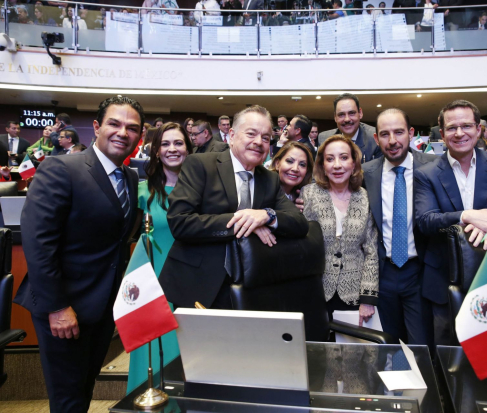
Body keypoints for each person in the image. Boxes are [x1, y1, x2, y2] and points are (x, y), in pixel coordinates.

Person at [14, 96, 144, 413]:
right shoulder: (61, 169)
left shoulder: (128, 177)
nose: (122, 133)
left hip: (100, 308)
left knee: (83, 389)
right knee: (68, 399)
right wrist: (57, 306)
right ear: (97, 127)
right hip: (64, 308)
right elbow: (38, 243)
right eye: (114, 123)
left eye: (132, 128)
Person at [159, 105, 308, 309]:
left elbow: (299, 223)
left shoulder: (270, 179)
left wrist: (266, 215)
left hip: (251, 288)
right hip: (199, 285)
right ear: (231, 135)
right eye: (251, 134)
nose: (258, 142)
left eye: (265, 138)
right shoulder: (200, 165)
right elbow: (181, 222)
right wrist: (246, 220)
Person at [414, 99, 487, 346]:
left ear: (479, 130)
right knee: (446, 354)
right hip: (442, 279)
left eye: (466, 126)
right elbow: (425, 221)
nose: (459, 133)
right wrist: (467, 216)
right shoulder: (426, 173)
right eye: (451, 128)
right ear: (442, 134)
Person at [127, 122, 193, 394]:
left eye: (178, 143)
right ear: (155, 152)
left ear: (188, 149)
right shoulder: (142, 191)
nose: (172, 149)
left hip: (192, 282)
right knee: (154, 352)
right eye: (165, 144)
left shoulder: (202, 190)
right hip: (154, 284)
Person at [362, 108, 436, 345]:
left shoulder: (435, 166)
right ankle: (396, 382)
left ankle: (423, 383)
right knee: (389, 345)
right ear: (376, 138)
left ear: (411, 133)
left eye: (399, 132)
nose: (392, 141)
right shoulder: (365, 173)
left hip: (420, 272)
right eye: (384, 134)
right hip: (383, 273)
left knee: (421, 345)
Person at [300, 135, 379, 325]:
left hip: (353, 293)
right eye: (330, 159)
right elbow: (301, 245)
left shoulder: (365, 197)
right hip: (315, 290)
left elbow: (371, 250)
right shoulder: (308, 194)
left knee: (351, 352)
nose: (337, 165)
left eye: (344, 158)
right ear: (322, 166)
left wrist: (368, 298)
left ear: (354, 164)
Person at [318, 93, 382, 163]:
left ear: (360, 113)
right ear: (335, 117)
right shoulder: (324, 139)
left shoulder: (375, 138)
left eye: (351, 113)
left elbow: (377, 172)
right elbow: (318, 171)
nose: (347, 119)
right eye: (341, 114)